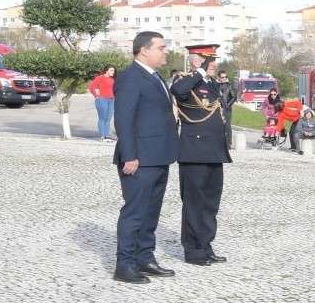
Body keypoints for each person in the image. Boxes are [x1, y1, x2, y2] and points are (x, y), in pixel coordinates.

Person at [111, 31, 178, 284]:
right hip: (139, 159)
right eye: (161, 47)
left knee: (151, 213)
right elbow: (123, 119)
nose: (166, 51)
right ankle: (125, 264)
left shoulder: (155, 76)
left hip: (159, 156)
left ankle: (145, 258)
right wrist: (130, 156)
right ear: (144, 50)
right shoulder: (131, 78)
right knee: (135, 213)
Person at [170, 44, 232, 267]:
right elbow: (178, 92)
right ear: (197, 62)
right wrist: (199, 73)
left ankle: (206, 245)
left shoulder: (211, 83)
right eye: (209, 60)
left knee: (210, 203)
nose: (214, 63)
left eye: (214, 59)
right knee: (194, 203)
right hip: (194, 152)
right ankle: (193, 250)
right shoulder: (185, 80)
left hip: (214, 151)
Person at [89, 65, 117, 142]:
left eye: (113, 70)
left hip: (111, 100)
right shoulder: (100, 77)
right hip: (102, 100)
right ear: (106, 71)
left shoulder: (113, 79)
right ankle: (102, 137)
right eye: (111, 70)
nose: (113, 72)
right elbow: (91, 87)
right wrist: (96, 96)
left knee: (108, 119)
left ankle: (107, 136)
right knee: (102, 118)